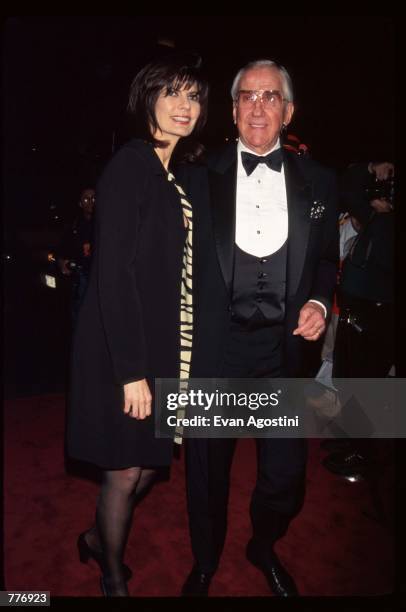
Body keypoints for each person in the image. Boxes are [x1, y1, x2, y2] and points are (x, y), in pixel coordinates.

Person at [177, 59, 338, 597]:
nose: (259, 106)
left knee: (285, 476)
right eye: (248, 95)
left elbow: (323, 262)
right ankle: (205, 561)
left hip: (282, 354)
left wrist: (318, 299)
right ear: (233, 109)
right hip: (216, 354)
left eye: (271, 97)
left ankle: (262, 546)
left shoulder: (321, 181)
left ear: (288, 111)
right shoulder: (198, 178)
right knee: (206, 474)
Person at [66, 53, 208, 597]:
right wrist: (131, 371)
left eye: (192, 96)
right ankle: (113, 578)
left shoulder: (169, 175)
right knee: (125, 470)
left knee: (150, 464)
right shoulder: (130, 164)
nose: (183, 105)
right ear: (145, 99)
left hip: (159, 346)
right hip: (119, 348)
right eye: (171, 92)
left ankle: (95, 537)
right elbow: (114, 274)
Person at [322, 161, 394, 475]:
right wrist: (370, 168)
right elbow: (348, 190)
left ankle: (364, 456)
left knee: (370, 385)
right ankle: (351, 441)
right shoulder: (378, 216)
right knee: (349, 377)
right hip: (358, 307)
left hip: (381, 312)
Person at [57, 187, 96, 326]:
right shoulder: (74, 226)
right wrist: (62, 263)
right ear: (80, 203)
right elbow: (60, 251)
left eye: (94, 198)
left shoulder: (106, 224)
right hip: (81, 280)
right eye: (86, 199)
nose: (91, 202)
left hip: (102, 281)